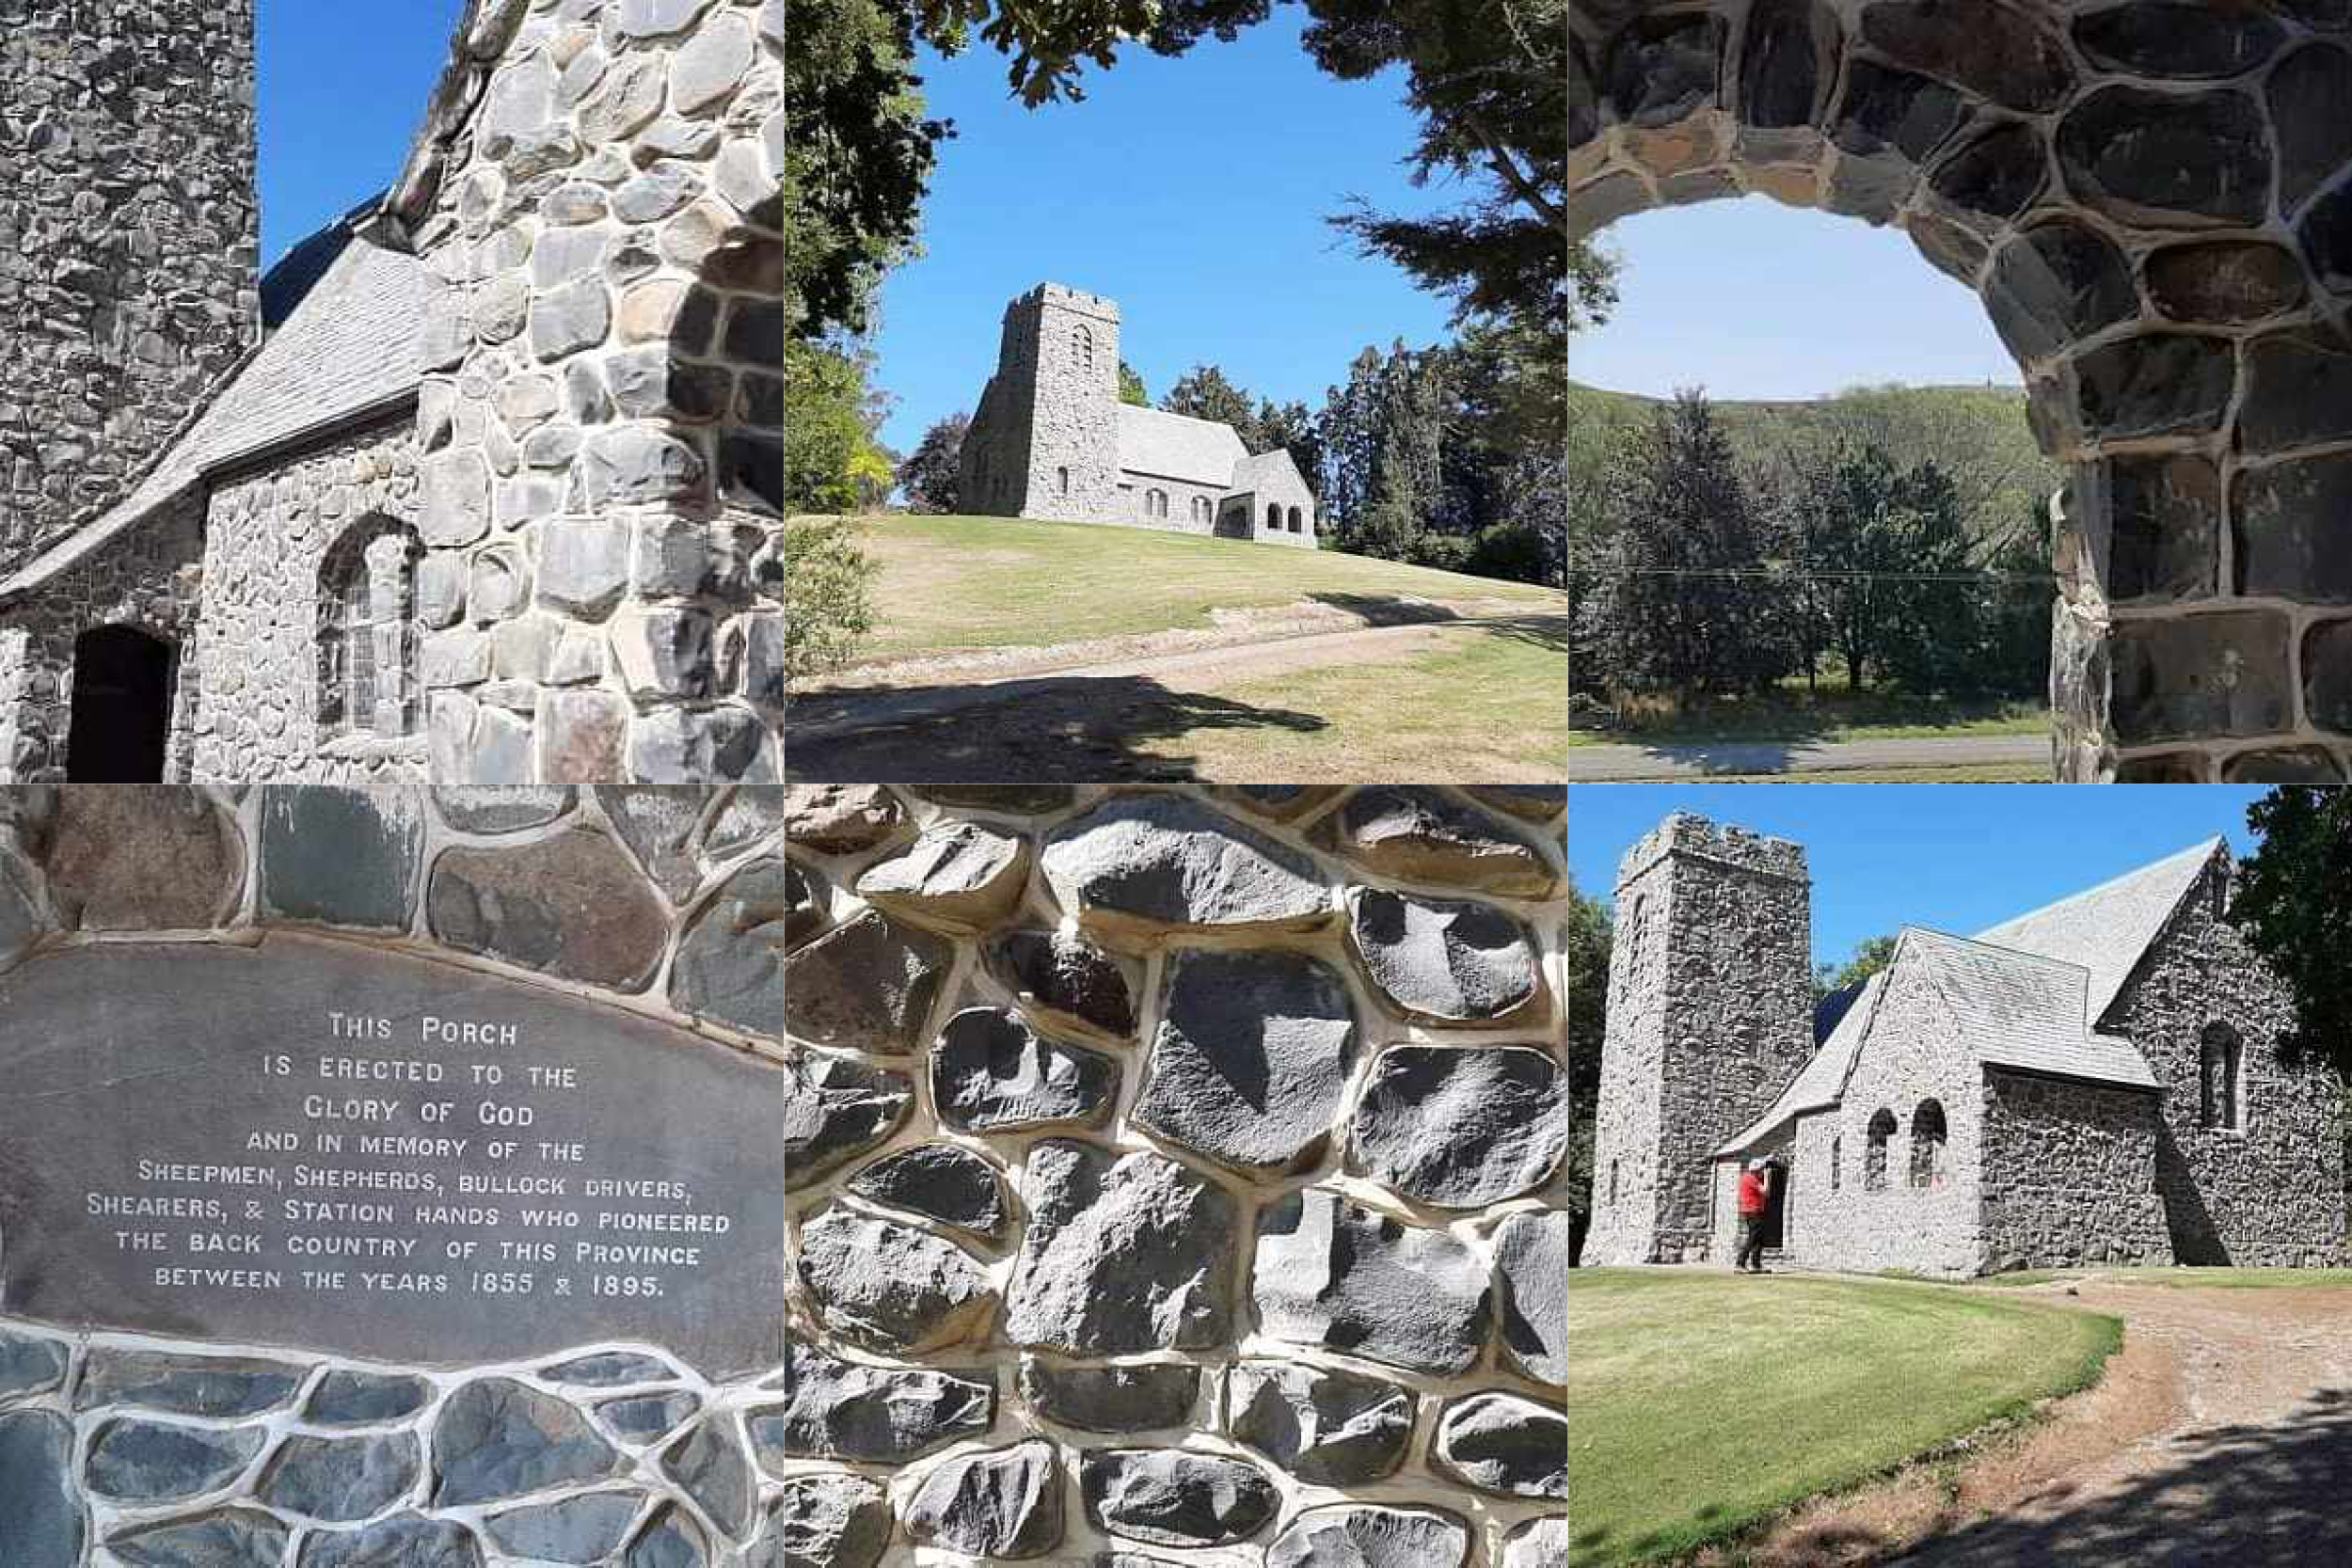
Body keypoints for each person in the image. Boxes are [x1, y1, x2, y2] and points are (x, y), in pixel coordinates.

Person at [1736, 1157, 1772, 1274]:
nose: (1763, 1171)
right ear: (1756, 1170)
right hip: (1753, 1211)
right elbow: (1766, 1192)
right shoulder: (1751, 1179)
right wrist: (1767, 1177)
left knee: (1759, 1239)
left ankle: (1756, 1264)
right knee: (1753, 1238)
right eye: (1761, 1169)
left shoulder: (1750, 1178)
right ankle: (1740, 1263)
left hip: (1755, 1211)